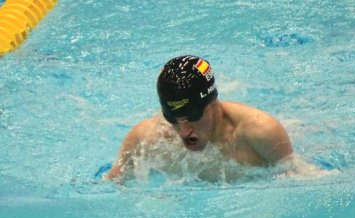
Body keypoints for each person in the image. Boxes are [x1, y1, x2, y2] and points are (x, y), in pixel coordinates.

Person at [107, 55, 293, 182]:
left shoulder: (259, 133)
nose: (184, 131)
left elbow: (301, 177)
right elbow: (111, 186)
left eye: (192, 117)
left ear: (213, 103)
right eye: (173, 119)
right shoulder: (146, 139)